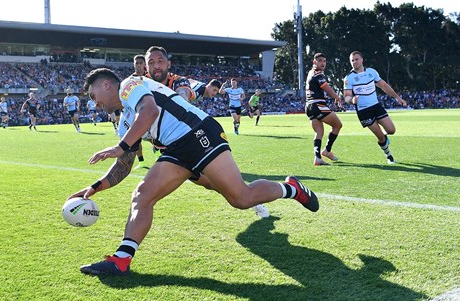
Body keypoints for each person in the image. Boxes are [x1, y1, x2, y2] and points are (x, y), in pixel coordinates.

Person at [68, 68, 319, 276]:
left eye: (93, 95)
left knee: (241, 198)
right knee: (142, 196)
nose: (95, 102)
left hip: (197, 133)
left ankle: (291, 188)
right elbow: (124, 164)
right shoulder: (124, 121)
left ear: (106, 85)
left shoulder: (128, 84)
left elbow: (151, 111)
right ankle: (121, 260)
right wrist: (94, 188)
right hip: (176, 150)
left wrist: (119, 146)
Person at [144, 46, 269, 218]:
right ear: (146, 67)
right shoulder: (141, 87)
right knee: (210, 183)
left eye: (160, 61)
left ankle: (252, 197)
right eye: (151, 62)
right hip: (171, 149)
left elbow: (184, 97)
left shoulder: (179, 82)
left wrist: (206, 90)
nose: (156, 66)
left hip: (192, 141)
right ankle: (249, 196)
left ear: (168, 64)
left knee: (219, 183)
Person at [343, 51, 407, 164]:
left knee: (391, 130)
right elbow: (347, 96)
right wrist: (352, 100)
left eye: (356, 59)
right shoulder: (349, 78)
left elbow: (384, 86)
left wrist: (398, 98)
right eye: (352, 60)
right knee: (380, 137)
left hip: (376, 106)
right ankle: (389, 155)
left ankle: (385, 138)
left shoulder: (372, 72)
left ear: (362, 59)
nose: (354, 62)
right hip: (363, 111)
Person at [306, 53, 344, 166]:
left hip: (308, 106)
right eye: (320, 61)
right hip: (318, 105)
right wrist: (336, 96)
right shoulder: (318, 74)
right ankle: (327, 150)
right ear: (314, 62)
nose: (323, 63)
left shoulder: (310, 72)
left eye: (324, 61)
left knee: (319, 132)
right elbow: (325, 87)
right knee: (337, 125)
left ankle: (317, 158)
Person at [130, 54, 148, 169]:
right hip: (137, 112)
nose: (139, 65)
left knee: (155, 138)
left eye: (141, 63)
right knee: (137, 139)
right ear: (134, 64)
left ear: (144, 65)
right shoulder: (130, 80)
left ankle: (158, 151)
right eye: (137, 63)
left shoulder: (150, 78)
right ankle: (141, 162)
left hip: (151, 112)